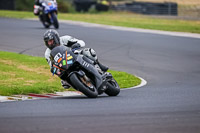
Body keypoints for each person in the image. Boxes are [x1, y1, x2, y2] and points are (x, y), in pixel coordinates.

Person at [43, 29, 108, 89]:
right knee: (64, 82)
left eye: (51, 41)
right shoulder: (47, 53)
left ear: (55, 38)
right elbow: (52, 65)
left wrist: (77, 44)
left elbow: (81, 42)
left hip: (74, 56)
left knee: (89, 52)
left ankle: (99, 66)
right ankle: (75, 83)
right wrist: (54, 69)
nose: (49, 43)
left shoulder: (64, 39)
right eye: (47, 42)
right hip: (64, 65)